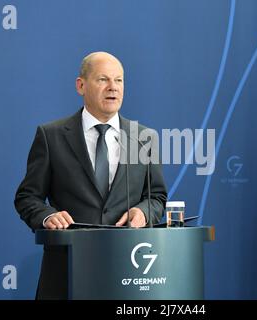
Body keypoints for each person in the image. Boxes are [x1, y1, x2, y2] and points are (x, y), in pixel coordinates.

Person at [14, 52, 168, 299]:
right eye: (103, 80)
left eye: (119, 81)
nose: (113, 88)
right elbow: (27, 197)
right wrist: (47, 216)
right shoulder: (51, 136)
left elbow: (157, 196)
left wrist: (143, 212)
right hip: (67, 272)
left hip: (129, 272)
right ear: (81, 85)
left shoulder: (143, 138)